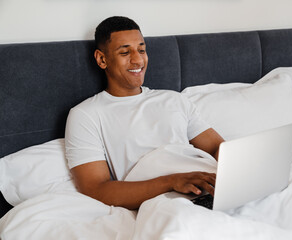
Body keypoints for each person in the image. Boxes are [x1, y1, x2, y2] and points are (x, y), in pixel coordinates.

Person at [65, 16, 224, 210]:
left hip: (213, 186)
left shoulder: (174, 99)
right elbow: (95, 189)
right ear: (102, 59)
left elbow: (218, 147)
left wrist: (236, 175)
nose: (138, 59)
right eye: (125, 52)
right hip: (168, 201)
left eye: (141, 50)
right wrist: (172, 181)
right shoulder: (86, 114)